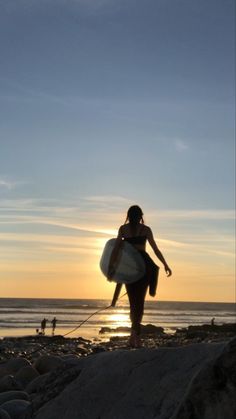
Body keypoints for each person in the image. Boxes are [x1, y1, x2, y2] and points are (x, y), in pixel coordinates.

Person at [107, 205, 172, 348]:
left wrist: (112, 266)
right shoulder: (144, 229)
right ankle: (135, 335)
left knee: (134, 303)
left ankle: (133, 335)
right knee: (138, 302)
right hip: (141, 262)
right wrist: (165, 264)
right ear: (140, 216)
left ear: (129, 216)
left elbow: (116, 250)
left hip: (131, 264)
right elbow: (154, 249)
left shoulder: (124, 229)